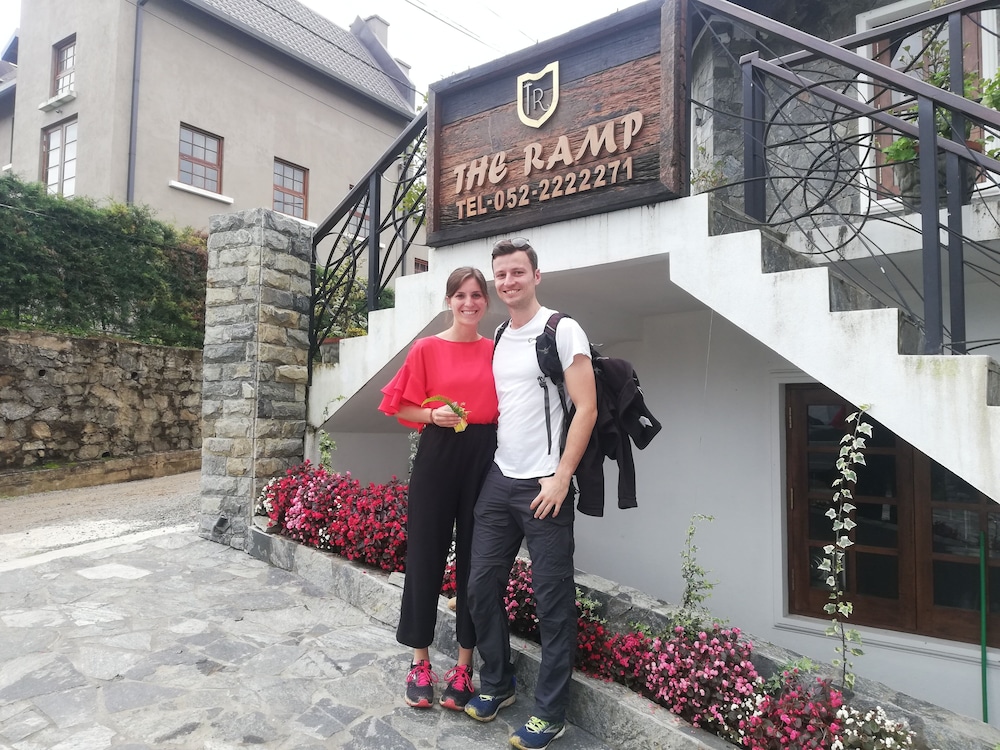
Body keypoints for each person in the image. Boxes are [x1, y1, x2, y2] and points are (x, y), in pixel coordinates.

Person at [465, 239, 597, 750]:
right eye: (501, 274)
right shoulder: (500, 333)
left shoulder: (561, 330)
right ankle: (498, 683)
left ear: (536, 276)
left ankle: (550, 712)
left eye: (517, 272)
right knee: (479, 587)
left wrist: (562, 476)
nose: (508, 282)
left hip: (545, 486)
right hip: (500, 480)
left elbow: (586, 407)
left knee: (553, 601)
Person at [378, 266, 499, 711]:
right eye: (460, 295)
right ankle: (420, 661)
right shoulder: (426, 348)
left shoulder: (497, 350)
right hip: (438, 452)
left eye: (476, 295)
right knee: (425, 555)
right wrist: (432, 416)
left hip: (485, 455)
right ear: (448, 301)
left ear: (486, 302)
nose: (469, 303)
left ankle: (464, 665)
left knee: (475, 561)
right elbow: (400, 407)